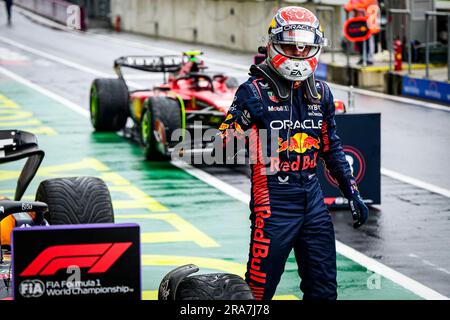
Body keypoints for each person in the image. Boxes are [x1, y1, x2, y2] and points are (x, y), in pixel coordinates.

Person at [218, 6, 369, 300]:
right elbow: (223, 144)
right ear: (273, 44)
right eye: (290, 46)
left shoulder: (322, 93)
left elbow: (332, 149)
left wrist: (352, 192)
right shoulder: (253, 92)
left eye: (305, 48)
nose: (298, 55)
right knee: (258, 292)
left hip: (313, 201)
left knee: (324, 290)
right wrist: (242, 124)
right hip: (273, 205)